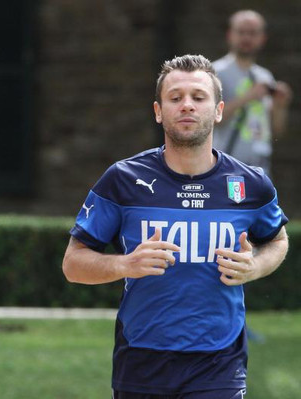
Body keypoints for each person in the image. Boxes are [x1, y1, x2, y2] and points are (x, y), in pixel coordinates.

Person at [62, 55, 288, 398]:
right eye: (175, 97)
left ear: (218, 110)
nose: (187, 106)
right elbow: (73, 264)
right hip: (141, 359)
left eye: (198, 97)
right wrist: (125, 264)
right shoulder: (122, 180)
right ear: (158, 110)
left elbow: (277, 240)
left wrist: (255, 266)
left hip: (219, 360)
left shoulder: (250, 183)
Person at [212, 10, 293, 176]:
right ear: (230, 35)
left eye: (253, 33)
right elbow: (209, 120)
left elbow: (276, 129)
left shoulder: (265, 75)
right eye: (241, 32)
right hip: (226, 167)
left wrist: (280, 105)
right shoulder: (215, 72)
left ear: (263, 38)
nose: (247, 38)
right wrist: (249, 96)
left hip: (260, 168)